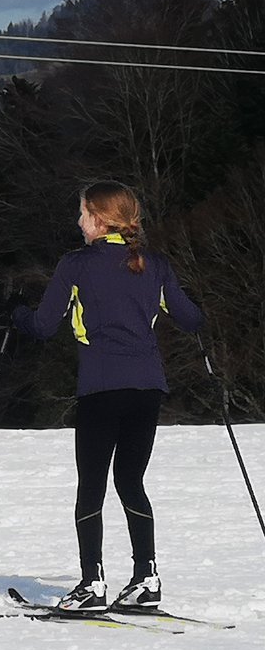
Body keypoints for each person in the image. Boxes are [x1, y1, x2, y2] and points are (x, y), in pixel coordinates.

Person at [13, 181, 204, 612]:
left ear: (99, 220)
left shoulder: (76, 265)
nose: (78, 221)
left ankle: (91, 584)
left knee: (92, 487)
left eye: (82, 213)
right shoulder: (153, 263)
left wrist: (17, 314)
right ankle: (146, 578)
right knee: (131, 481)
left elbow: (43, 326)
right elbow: (191, 319)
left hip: (101, 388)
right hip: (147, 389)